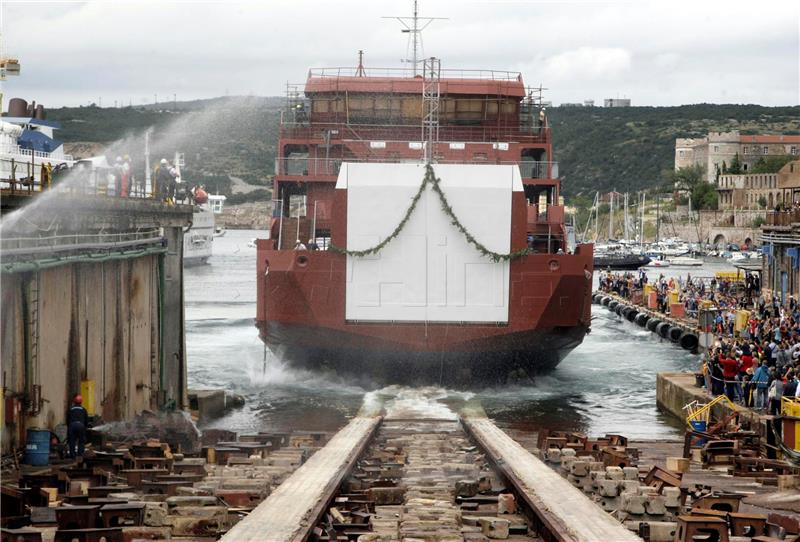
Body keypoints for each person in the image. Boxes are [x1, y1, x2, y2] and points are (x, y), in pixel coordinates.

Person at [67, 394, 89, 459]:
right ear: (81, 402)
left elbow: (68, 419)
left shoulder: (71, 409)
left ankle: (72, 456)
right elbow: (86, 420)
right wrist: (85, 427)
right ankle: (80, 455)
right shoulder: (83, 410)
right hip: (81, 426)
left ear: (74, 401)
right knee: (81, 441)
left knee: (72, 441)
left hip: (72, 425)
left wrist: (69, 427)